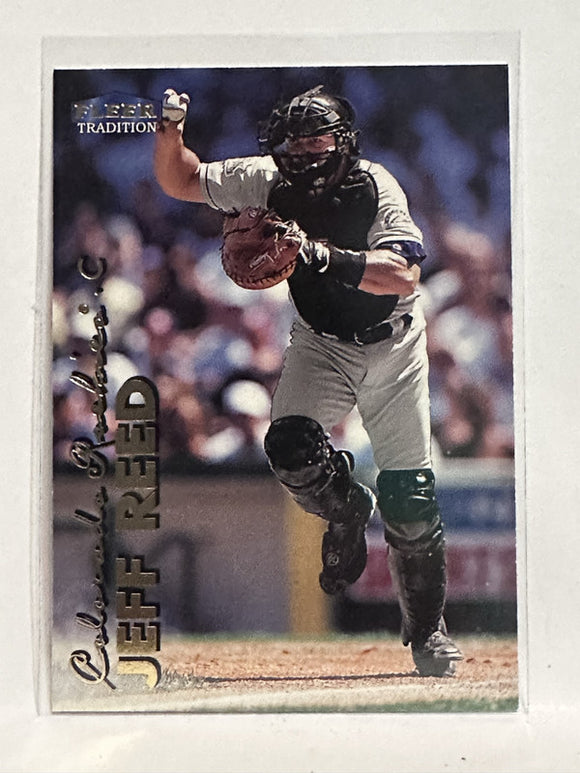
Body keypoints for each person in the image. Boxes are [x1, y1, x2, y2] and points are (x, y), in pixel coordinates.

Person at [154, 85, 463, 677]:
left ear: (343, 144)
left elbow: (404, 274)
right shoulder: (266, 179)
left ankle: (428, 633)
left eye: (315, 142)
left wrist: (319, 255)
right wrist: (170, 129)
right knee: (289, 448)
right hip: (322, 342)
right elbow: (181, 179)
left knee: (411, 498)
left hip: (393, 343)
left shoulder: (375, 186)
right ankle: (346, 508)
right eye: (292, 144)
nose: (301, 154)